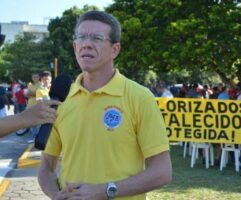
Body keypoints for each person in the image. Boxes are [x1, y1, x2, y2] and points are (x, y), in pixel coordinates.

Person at [38, 11, 172, 200]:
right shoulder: (61, 99)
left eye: (97, 38)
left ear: (115, 49)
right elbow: (46, 165)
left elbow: (162, 172)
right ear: (75, 46)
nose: (87, 44)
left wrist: (105, 191)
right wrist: (55, 194)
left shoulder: (139, 97)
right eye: (81, 37)